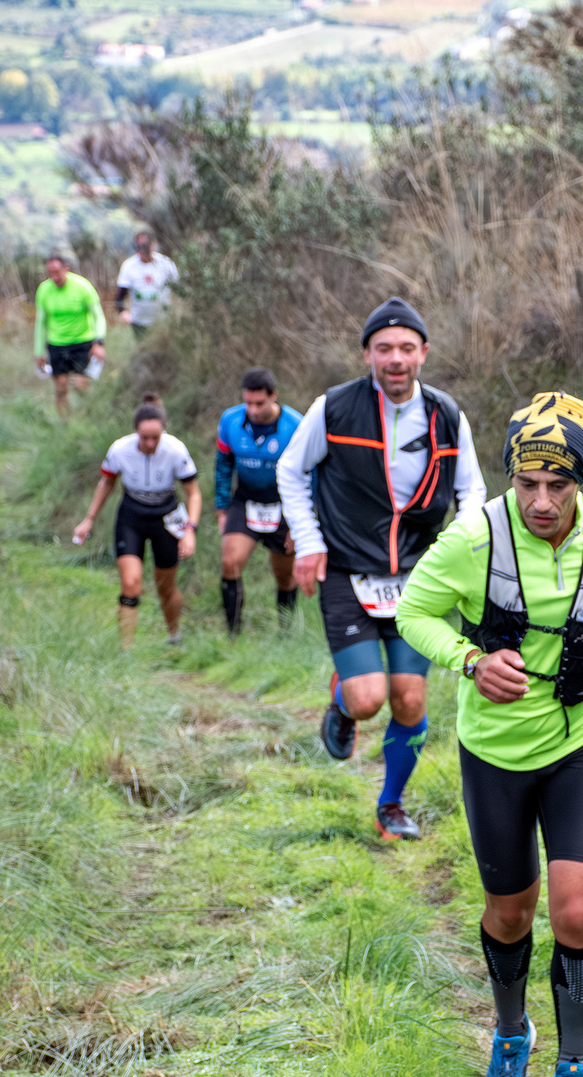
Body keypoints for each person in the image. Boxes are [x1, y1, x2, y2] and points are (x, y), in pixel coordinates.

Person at [396, 392, 583, 1077]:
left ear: (582, 479)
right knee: (511, 912)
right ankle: (511, 1033)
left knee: (576, 913)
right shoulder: (473, 537)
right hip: (497, 751)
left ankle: (574, 1070)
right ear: (510, 477)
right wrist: (470, 660)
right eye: (526, 484)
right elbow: (413, 612)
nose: (541, 502)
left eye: (558, 485)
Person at [277, 296, 486, 841]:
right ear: (367, 354)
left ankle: (391, 805)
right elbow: (290, 471)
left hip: (418, 577)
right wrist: (308, 543)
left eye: (406, 348)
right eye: (384, 348)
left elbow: (471, 491)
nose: (396, 359)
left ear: (424, 353)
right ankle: (344, 699)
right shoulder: (334, 408)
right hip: (348, 571)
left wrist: (465, 552)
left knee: (410, 698)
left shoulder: (446, 414)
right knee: (368, 699)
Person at [73, 394, 202, 648]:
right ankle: (126, 651)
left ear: (163, 432)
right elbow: (106, 483)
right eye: (145, 438)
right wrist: (89, 519)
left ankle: (174, 637)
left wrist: (190, 530)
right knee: (131, 584)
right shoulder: (120, 449)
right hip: (132, 517)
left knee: (165, 587)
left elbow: (194, 493)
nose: (150, 443)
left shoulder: (175, 449)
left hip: (167, 519)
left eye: (156, 437)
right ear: (135, 432)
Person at [214, 367, 302, 634]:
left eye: (259, 403)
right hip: (246, 499)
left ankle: (285, 634)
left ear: (273, 396)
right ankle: (233, 636)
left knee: (285, 576)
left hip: (284, 503)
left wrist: (300, 523)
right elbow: (223, 464)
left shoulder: (295, 425)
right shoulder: (230, 420)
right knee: (230, 562)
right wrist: (221, 507)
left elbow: (310, 474)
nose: (252, 410)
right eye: (248, 403)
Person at [34, 251, 107, 414]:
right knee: (61, 388)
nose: (54, 277)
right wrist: (38, 352)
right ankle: (64, 423)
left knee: (81, 386)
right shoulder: (44, 290)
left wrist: (99, 343)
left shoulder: (82, 286)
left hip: (82, 343)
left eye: (57, 272)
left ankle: (88, 416)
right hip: (57, 344)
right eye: (50, 273)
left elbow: (98, 316)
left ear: (66, 268)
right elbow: (40, 323)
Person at [115, 228, 179, 336]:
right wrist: (122, 311)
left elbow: (178, 289)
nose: (141, 251)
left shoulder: (166, 263)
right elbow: (120, 294)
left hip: (162, 321)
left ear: (153, 245)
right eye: (138, 247)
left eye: (144, 246)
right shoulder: (128, 266)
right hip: (139, 323)